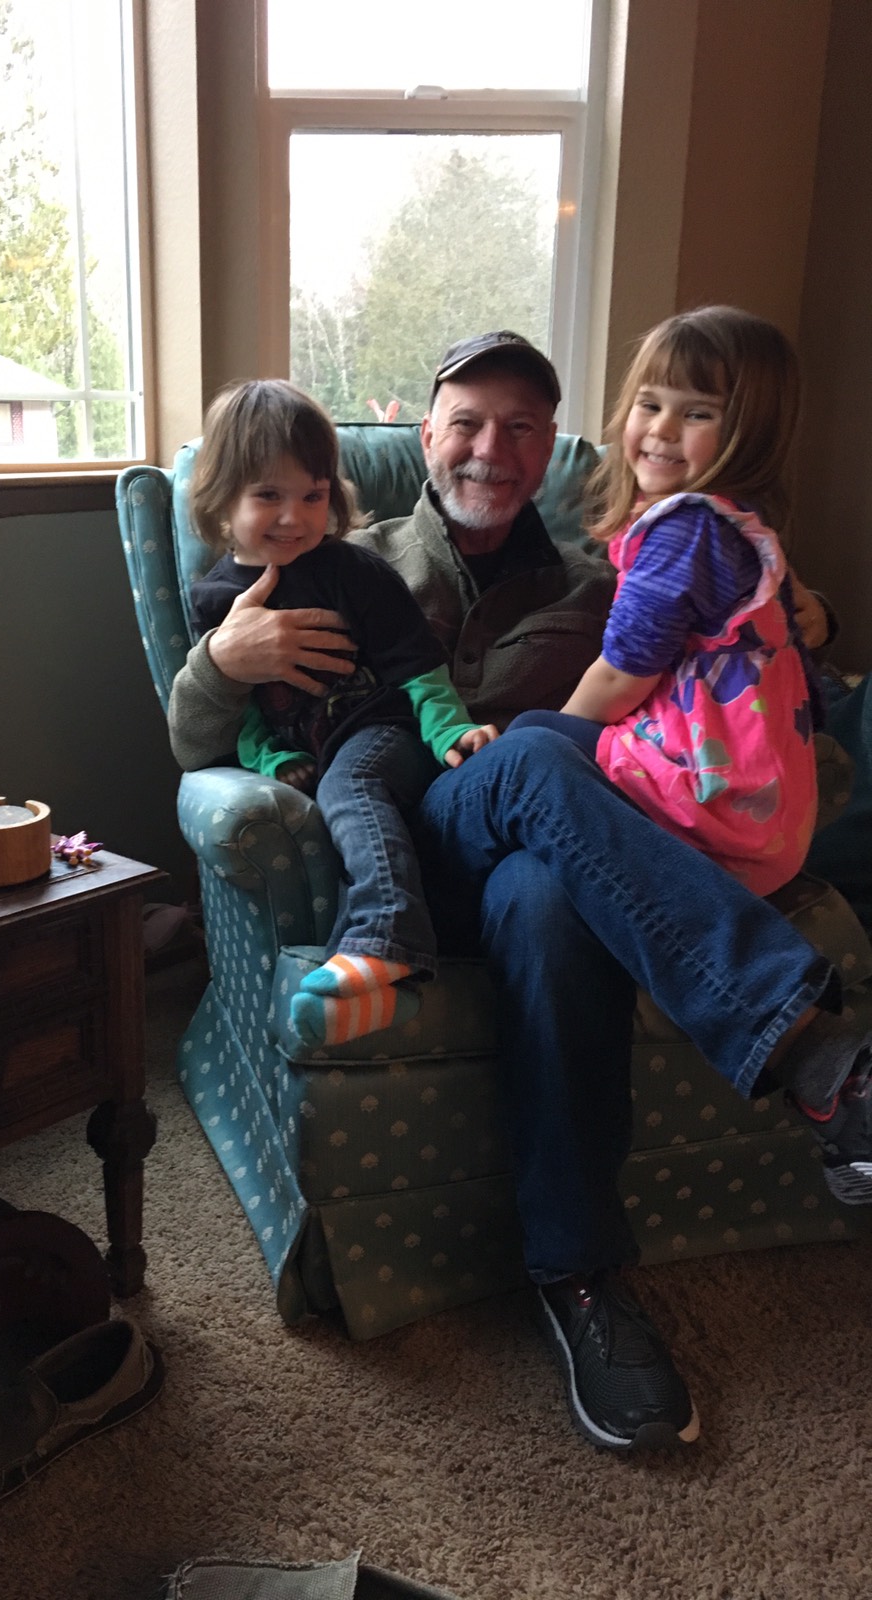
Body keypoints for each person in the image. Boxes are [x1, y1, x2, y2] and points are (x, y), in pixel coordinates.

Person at [167, 328, 870, 1456]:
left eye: (522, 428)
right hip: (412, 850)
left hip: (568, 868)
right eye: (467, 423)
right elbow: (191, 744)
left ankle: (582, 1281)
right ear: (425, 434)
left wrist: (813, 611)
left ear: (551, 449)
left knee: (546, 896)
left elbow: (746, 614)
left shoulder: (606, 571)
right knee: (541, 750)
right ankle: (809, 1047)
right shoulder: (333, 555)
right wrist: (219, 666)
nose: (491, 449)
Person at [186, 378, 497, 1048]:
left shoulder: (353, 571)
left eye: (313, 495)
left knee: (349, 787)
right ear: (222, 495)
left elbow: (417, 663)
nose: (294, 517)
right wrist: (270, 757)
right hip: (316, 749)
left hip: (386, 730)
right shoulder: (213, 600)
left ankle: (385, 940)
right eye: (268, 495)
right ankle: (376, 990)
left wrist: (448, 727)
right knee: (338, 794)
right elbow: (241, 712)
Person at [508, 307, 819, 897]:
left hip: (708, 799)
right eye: (650, 404)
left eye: (697, 413)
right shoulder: (740, 521)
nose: (663, 428)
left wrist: (556, 739)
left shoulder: (684, 531)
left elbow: (623, 675)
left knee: (531, 740)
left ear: (749, 434)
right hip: (770, 815)